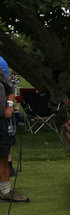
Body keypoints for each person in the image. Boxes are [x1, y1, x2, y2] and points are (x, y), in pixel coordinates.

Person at [0, 68, 28, 202]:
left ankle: (5, 191)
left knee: (3, 155)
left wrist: (9, 106)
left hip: (0, 120)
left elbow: (10, 90)